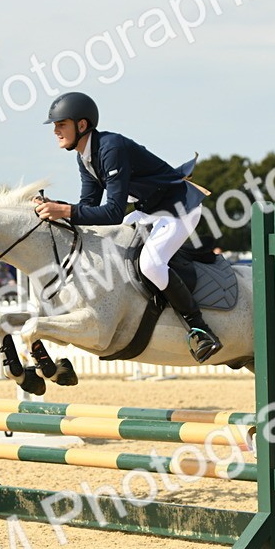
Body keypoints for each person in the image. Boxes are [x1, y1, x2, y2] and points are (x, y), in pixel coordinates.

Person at [33, 92, 220, 362]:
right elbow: (88, 205)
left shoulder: (111, 148)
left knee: (151, 265)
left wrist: (65, 210)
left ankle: (200, 329)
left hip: (179, 207)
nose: (55, 131)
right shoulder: (85, 156)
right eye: (55, 125)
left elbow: (112, 213)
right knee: (116, 242)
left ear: (81, 125)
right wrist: (57, 207)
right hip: (150, 210)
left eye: (61, 124)